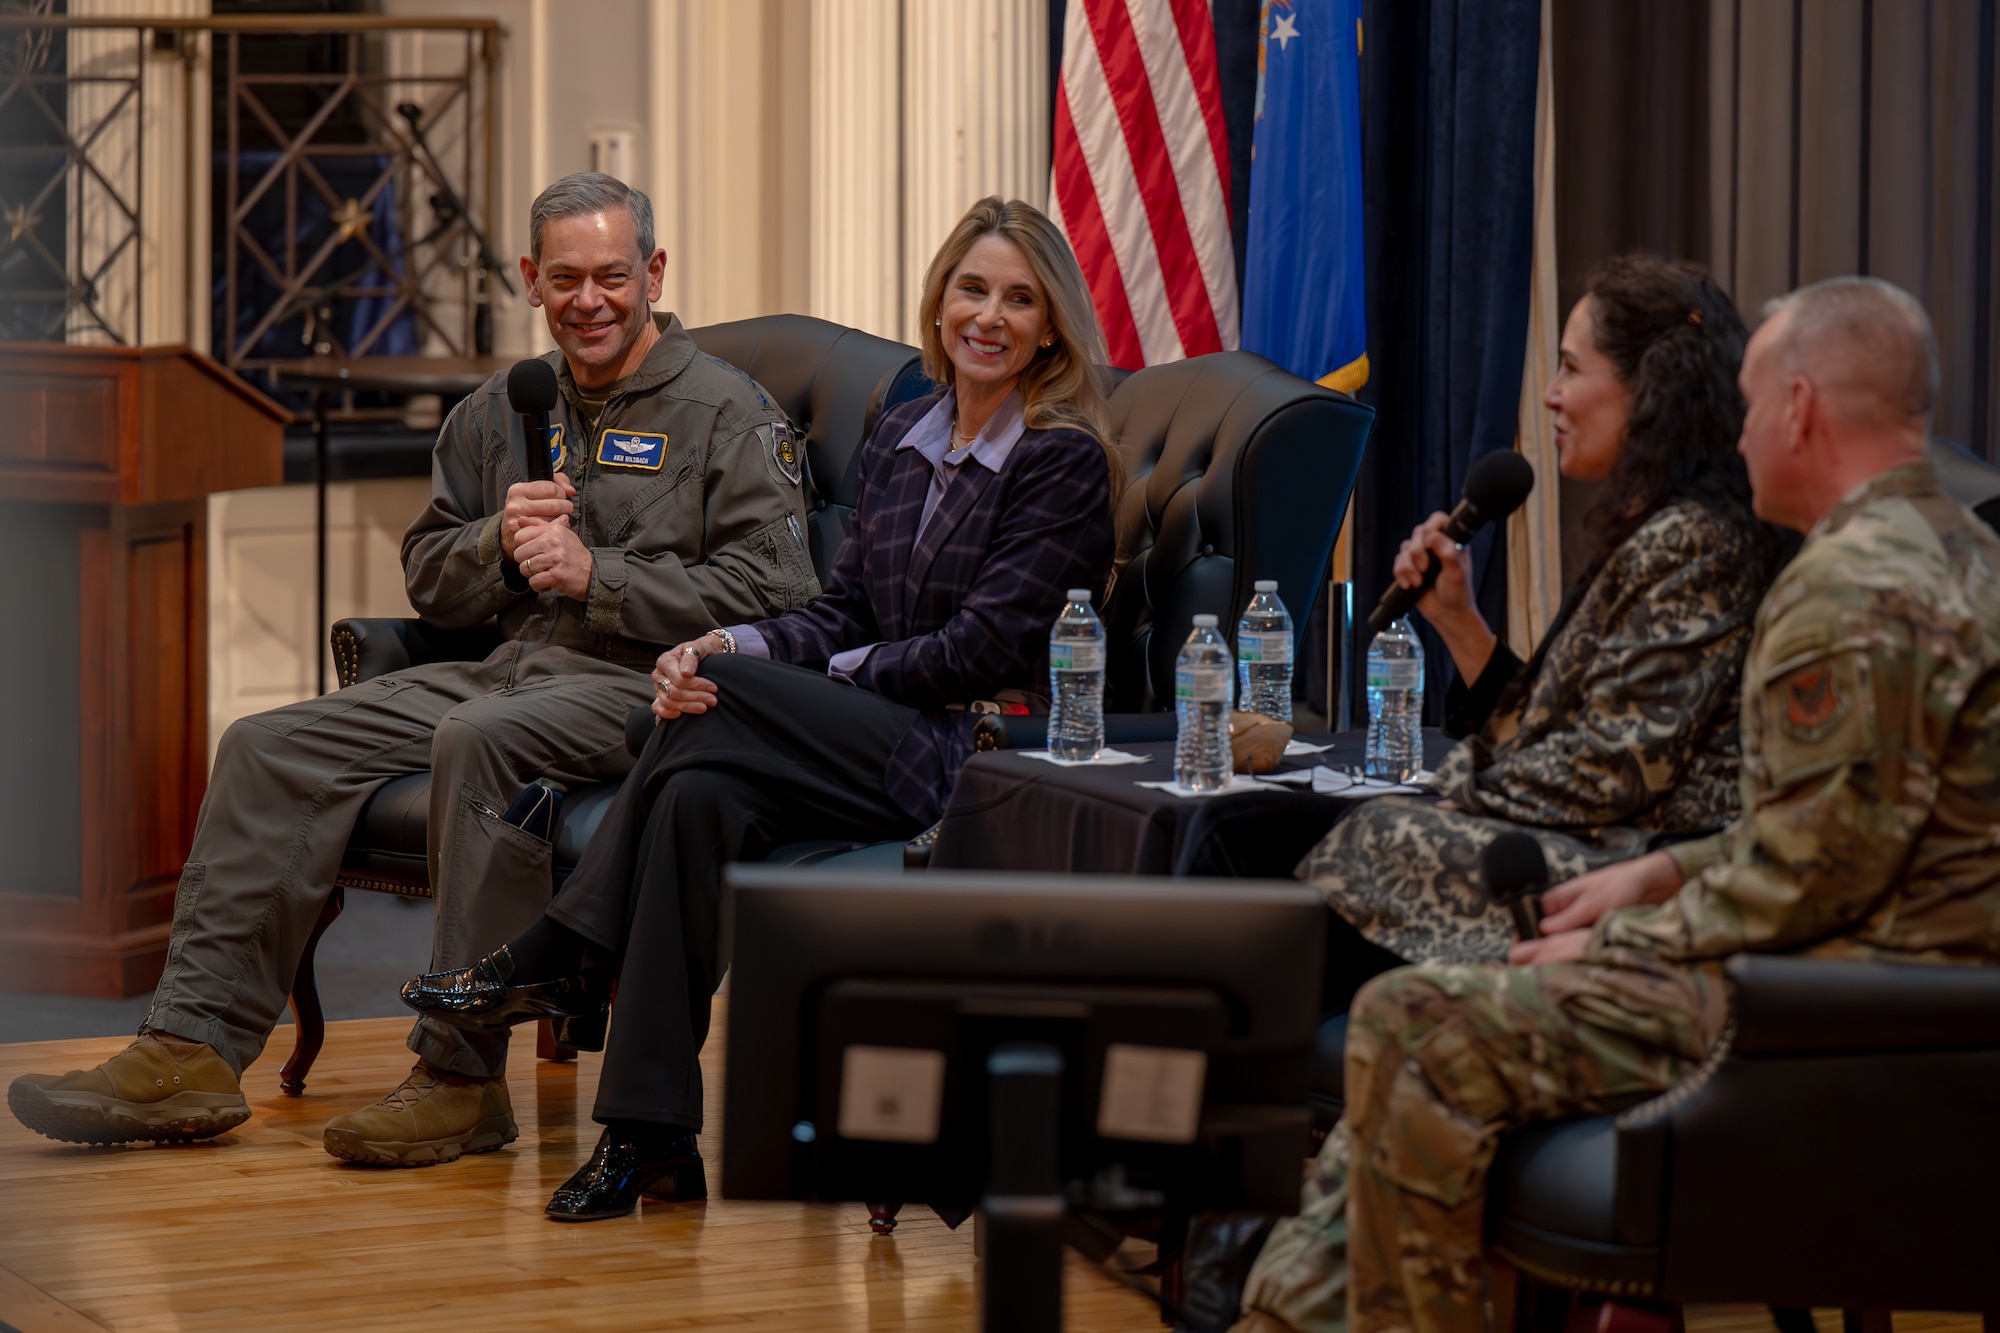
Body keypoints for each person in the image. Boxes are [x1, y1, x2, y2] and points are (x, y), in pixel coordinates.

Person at [1235, 276, 2000, 1333]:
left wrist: (1625, 937)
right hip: (1892, 981)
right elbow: (1842, 830)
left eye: (1750, 402)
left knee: (1415, 1021)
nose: (1736, 432)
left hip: (1848, 1008)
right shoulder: (1966, 554)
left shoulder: (1847, 589)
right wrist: (1661, 875)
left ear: (1797, 408)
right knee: (1414, 1011)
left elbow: (1808, 877)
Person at [7, 172, 818, 1166]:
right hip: (505, 668)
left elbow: (782, 593)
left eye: (612, 276)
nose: (589, 301)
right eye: (565, 278)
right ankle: (188, 1050)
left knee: (478, 738)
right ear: (529, 278)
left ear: (652, 272)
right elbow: (430, 577)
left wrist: (598, 575)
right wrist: (495, 545)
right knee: (264, 743)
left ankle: (459, 1079)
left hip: (643, 689)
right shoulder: (501, 409)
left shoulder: (727, 412)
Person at [399, 195, 1120, 1220]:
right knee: (696, 794)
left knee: (693, 713)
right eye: (972, 290)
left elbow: (981, 650)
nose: (988, 318)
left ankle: (564, 948)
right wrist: (720, 646)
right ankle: (649, 1135)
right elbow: (839, 609)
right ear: (939, 302)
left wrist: (795, 680)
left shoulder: (1060, 460)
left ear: (1050, 327)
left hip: (972, 747)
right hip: (860, 739)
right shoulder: (903, 433)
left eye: (1019, 299)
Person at [1301, 257, 1792, 987]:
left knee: (1376, 833)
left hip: (1651, 870)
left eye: (1570, 367)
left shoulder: (1698, 539)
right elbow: (1557, 733)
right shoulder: (1657, 528)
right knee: (1345, 826)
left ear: (1651, 388)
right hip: (1596, 836)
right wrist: (1460, 623)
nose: (1551, 394)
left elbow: (1611, 770)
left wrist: (1459, 784)